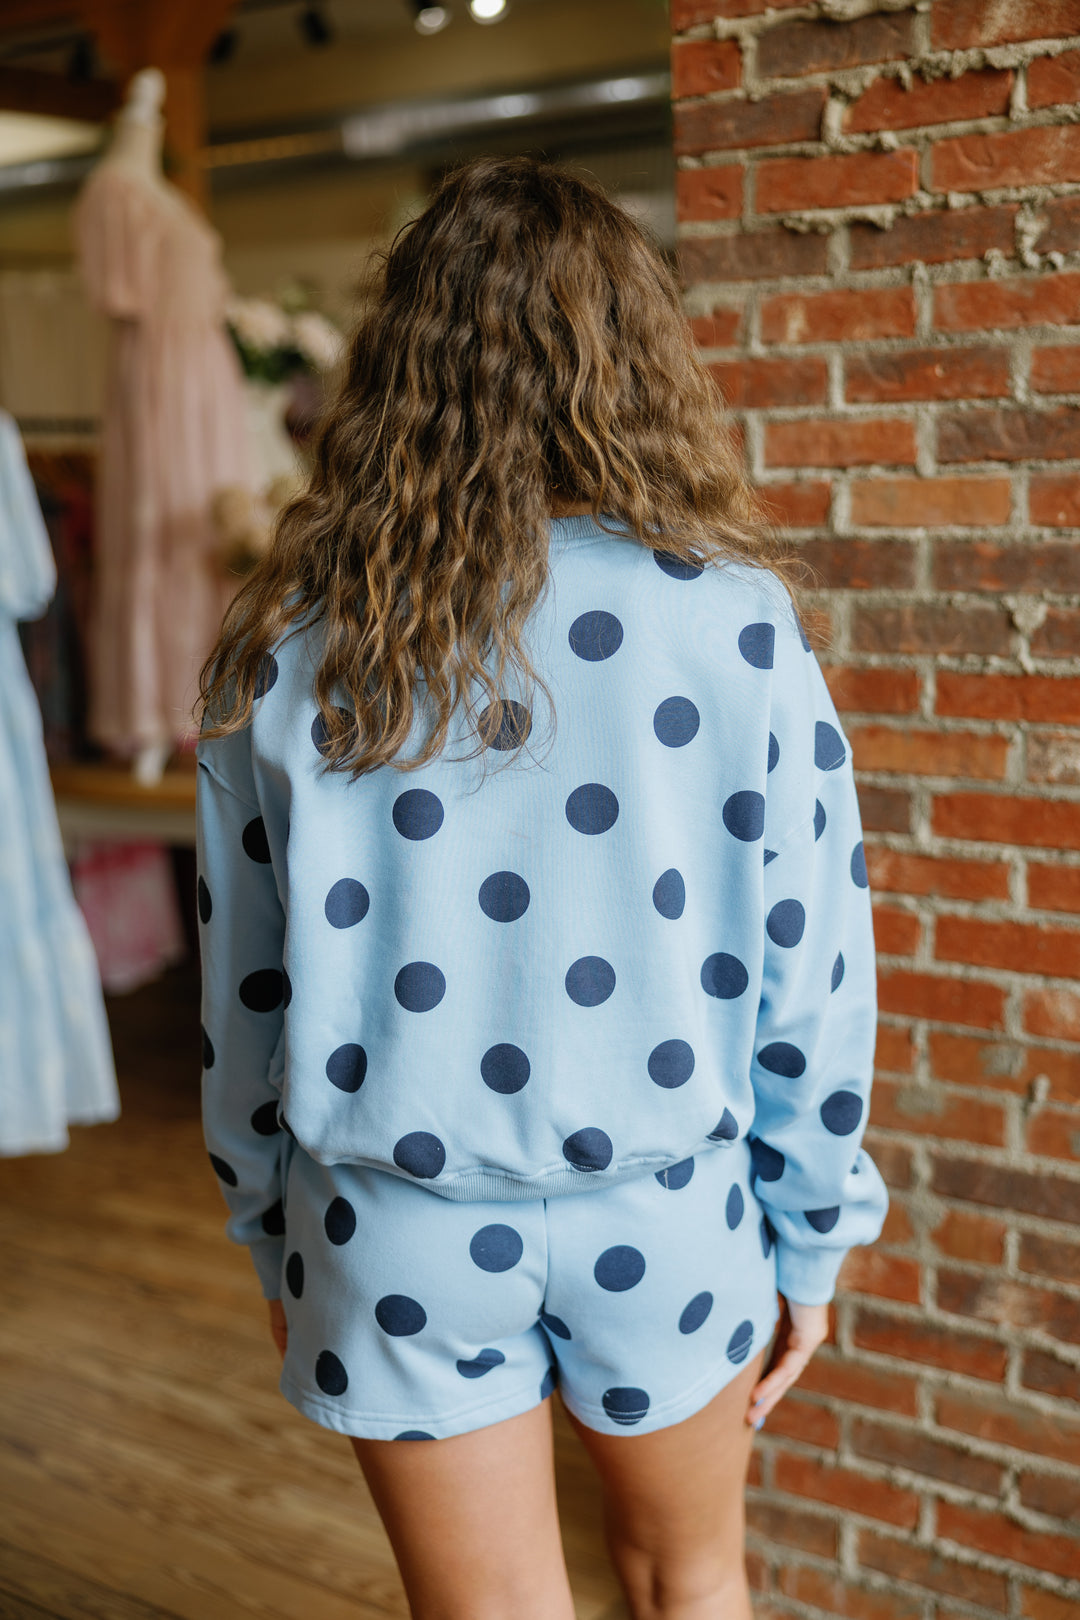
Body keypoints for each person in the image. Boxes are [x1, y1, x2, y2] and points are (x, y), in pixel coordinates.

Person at [196, 156, 888, 1620]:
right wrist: (813, 1233)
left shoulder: (294, 646)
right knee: (690, 1585)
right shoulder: (736, 629)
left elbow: (243, 985)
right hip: (669, 1212)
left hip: (386, 1223)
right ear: (634, 359)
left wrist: (265, 1218)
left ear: (400, 372)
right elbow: (812, 971)